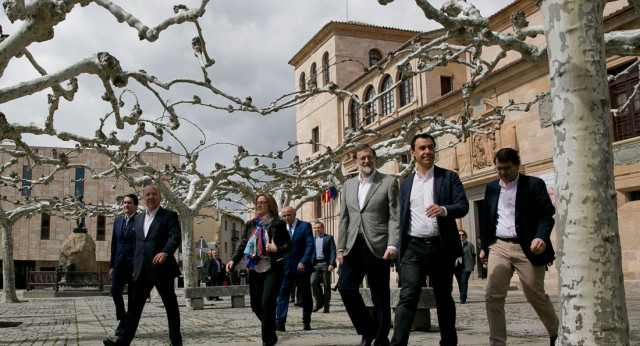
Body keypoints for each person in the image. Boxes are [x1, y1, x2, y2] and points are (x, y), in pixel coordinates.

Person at [390, 133, 469, 346]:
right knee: (408, 296)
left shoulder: (448, 177)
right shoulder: (405, 184)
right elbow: (401, 217)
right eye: (422, 148)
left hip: (440, 247)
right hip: (413, 247)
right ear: (413, 153)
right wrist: (396, 248)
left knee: (444, 298)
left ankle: (449, 342)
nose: (427, 151)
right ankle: (397, 343)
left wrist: (444, 210)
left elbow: (463, 206)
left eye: (431, 147)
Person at [479, 148, 558, 346]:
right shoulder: (492, 187)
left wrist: (541, 237)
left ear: (517, 165)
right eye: (498, 169)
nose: (503, 173)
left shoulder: (534, 185)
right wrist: (483, 246)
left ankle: (557, 333)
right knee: (493, 296)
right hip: (499, 245)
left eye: (506, 168)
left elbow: (546, 214)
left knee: (535, 295)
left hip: (528, 248)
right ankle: (497, 342)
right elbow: (486, 217)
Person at [103, 185, 183, 346]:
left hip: (162, 268)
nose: (151, 197)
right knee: (134, 307)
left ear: (160, 197)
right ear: (144, 199)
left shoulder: (169, 216)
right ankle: (122, 342)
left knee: (170, 306)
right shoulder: (138, 219)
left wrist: (166, 252)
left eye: (154, 194)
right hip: (141, 270)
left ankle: (176, 341)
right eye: (147, 195)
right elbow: (136, 245)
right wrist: (133, 266)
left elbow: (175, 237)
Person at [337, 143, 399, 346]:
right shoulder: (348, 186)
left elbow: (394, 217)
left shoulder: (388, 182)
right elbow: (344, 219)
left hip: (378, 245)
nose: (366, 161)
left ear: (375, 159)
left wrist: (393, 244)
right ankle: (368, 330)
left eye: (369, 157)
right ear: (355, 162)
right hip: (353, 246)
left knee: (380, 294)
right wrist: (340, 247)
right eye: (362, 158)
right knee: (346, 288)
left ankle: (381, 339)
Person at [226, 193, 292, 346]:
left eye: (263, 202)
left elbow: (289, 245)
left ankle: (267, 340)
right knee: (256, 306)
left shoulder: (277, 224)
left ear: (270, 205)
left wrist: (276, 249)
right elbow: (242, 245)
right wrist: (232, 260)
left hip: (273, 268)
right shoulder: (251, 224)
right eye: (257, 203)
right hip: (255, 268)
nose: (259, 205)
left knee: (267, 302)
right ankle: (271, 330)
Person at [275, 206, 314, 332]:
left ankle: (306, 321)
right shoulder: (280, 229)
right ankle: (280, 322)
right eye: (284, 216)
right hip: (285, 269)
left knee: (306, 296)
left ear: (295, 214)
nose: (286, 218)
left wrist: (303, 261)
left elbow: (309, 245)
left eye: (289, 215)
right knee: (282, 295)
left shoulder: (305, 226)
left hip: (301, 268)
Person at [108, 193, 138, 337]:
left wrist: (138, 266)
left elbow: (142, 246)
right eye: (124, 203)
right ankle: (123, 318)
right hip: (119, 263)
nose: (126, 205)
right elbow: (114, 244)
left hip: (133, 265)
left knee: (133, 297)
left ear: (135, 205)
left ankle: (127, 327)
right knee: (115, 291)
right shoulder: (118, 221)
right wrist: (112, 265)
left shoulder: (140, 220)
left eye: (129, 203)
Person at [310, 221, 336, 313]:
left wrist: (332, 264)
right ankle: (319, 302)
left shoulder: (329, 238)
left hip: (325, 263)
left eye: (318, 228)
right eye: (315, 228)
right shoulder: (312, 239)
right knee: (313, 282)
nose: (317, 229)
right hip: (315, 264)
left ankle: (326, 305)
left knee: (326, 285)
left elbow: (333, 251)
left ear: (322, 228)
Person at [454, 229, 476, 304]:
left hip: (466, 266)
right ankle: (462, 295)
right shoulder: (454, 244)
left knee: (464, 281)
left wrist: (472, 265)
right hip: (457, 266)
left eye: (463, 235)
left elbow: (473, 256)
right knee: (460, 282)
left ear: (465, 236)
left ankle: (463, 298)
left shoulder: (469, 245)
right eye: (459, 235)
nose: (461, 236)